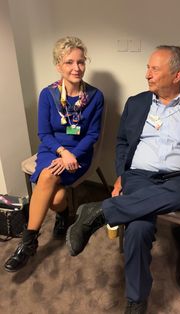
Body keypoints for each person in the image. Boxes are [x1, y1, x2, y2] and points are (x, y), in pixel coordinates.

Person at [66, 45, 180, 314]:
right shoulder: (137, 102)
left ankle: (98, 212)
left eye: (154, 69)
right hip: (140, 176)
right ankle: (137, 299)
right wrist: (121, 177)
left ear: (177, 75)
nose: (147, 74)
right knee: (138, 228)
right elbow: (122, 142)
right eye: (147, 67)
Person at [4, 36, 104, 272]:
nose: (76, 68)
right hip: (52, 150)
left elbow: (92, 135)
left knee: (54, 193)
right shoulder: (48, 95)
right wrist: (61, 152)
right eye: (69, 62)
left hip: (79, 153)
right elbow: (44, 133)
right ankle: (37, 236)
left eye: (80, 62)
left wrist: (72, 155)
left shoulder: (95, 96)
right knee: (55, 193)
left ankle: (28, 241)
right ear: (58, 65)